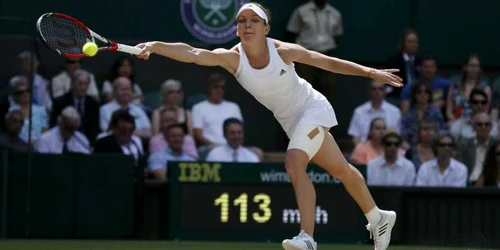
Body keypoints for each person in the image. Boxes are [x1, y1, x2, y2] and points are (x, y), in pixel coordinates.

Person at [134, 3, 402, 250]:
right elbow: (192, 53)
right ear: (237, 29)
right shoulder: (232, 58)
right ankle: (378, 217)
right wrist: (156, 46)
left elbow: (327, 62)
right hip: (290, 121)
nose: (247, 25)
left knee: (294, 163)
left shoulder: (284, 51)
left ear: (266, 28)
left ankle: (307, 238)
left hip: (312, 109)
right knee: (341, 169)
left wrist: (369, 72)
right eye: (242, 21)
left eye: (254, 20)